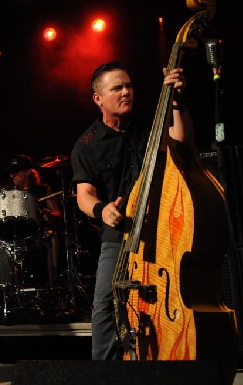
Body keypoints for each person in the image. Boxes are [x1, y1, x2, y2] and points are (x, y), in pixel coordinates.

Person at [70, 60, 193, 360]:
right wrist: (101, 211)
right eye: (117, 88)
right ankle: (105, 372)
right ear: (98, 98)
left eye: (129, 86)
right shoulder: (86, 145)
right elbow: (83, 195)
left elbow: (182, 140)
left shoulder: (148, 124)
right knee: (104, 303)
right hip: (120, 233)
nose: (126, 92)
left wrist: (175, 99)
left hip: (161, 229)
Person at [0, 154, 63, 288]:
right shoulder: (9, 191)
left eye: (15, 172)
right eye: (10, 173)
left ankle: (53, 284)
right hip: (17, 234)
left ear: (28, 171)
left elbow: (57, 213)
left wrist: (48, 213)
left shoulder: (43, 189)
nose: (12, 176)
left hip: (37, 234)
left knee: (52, 236)